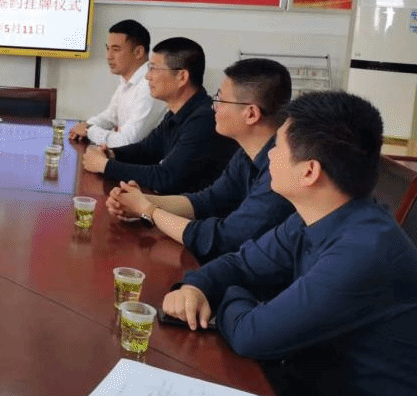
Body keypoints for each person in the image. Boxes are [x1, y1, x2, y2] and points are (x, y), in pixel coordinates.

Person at [162, 91, 417, 396]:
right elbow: (239, 263)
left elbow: (251, 335)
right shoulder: (315, 216)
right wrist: (195, 287)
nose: (268, 156)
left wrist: (228, 292)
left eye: (278, 147)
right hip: (304, 388)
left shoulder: (364, 250)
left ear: (309, 171)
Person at [106, 58, 295, 263]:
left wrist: (147, 210)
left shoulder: (281, 171)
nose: (214, 107)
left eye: (221, 100)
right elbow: (208, 201)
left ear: (251, 114)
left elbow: (223, 239)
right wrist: (139, 200)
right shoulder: (245, 154)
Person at [82, 36, 236, 193]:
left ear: (182, 77)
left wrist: (105, 166)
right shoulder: (176, 113)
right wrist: (111, 153)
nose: (147, 76)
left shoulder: (204, 119)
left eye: (153, 69)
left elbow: (166, 178)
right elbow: (147, 150)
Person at [68, 19, 164, 147]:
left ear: (138, 52)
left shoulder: (149, 86)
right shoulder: (127, 80)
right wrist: (87, 125)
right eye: (108, 49)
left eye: (116, 49)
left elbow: (127, 141)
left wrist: (89, 130)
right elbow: (110, 117)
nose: (108, 56)